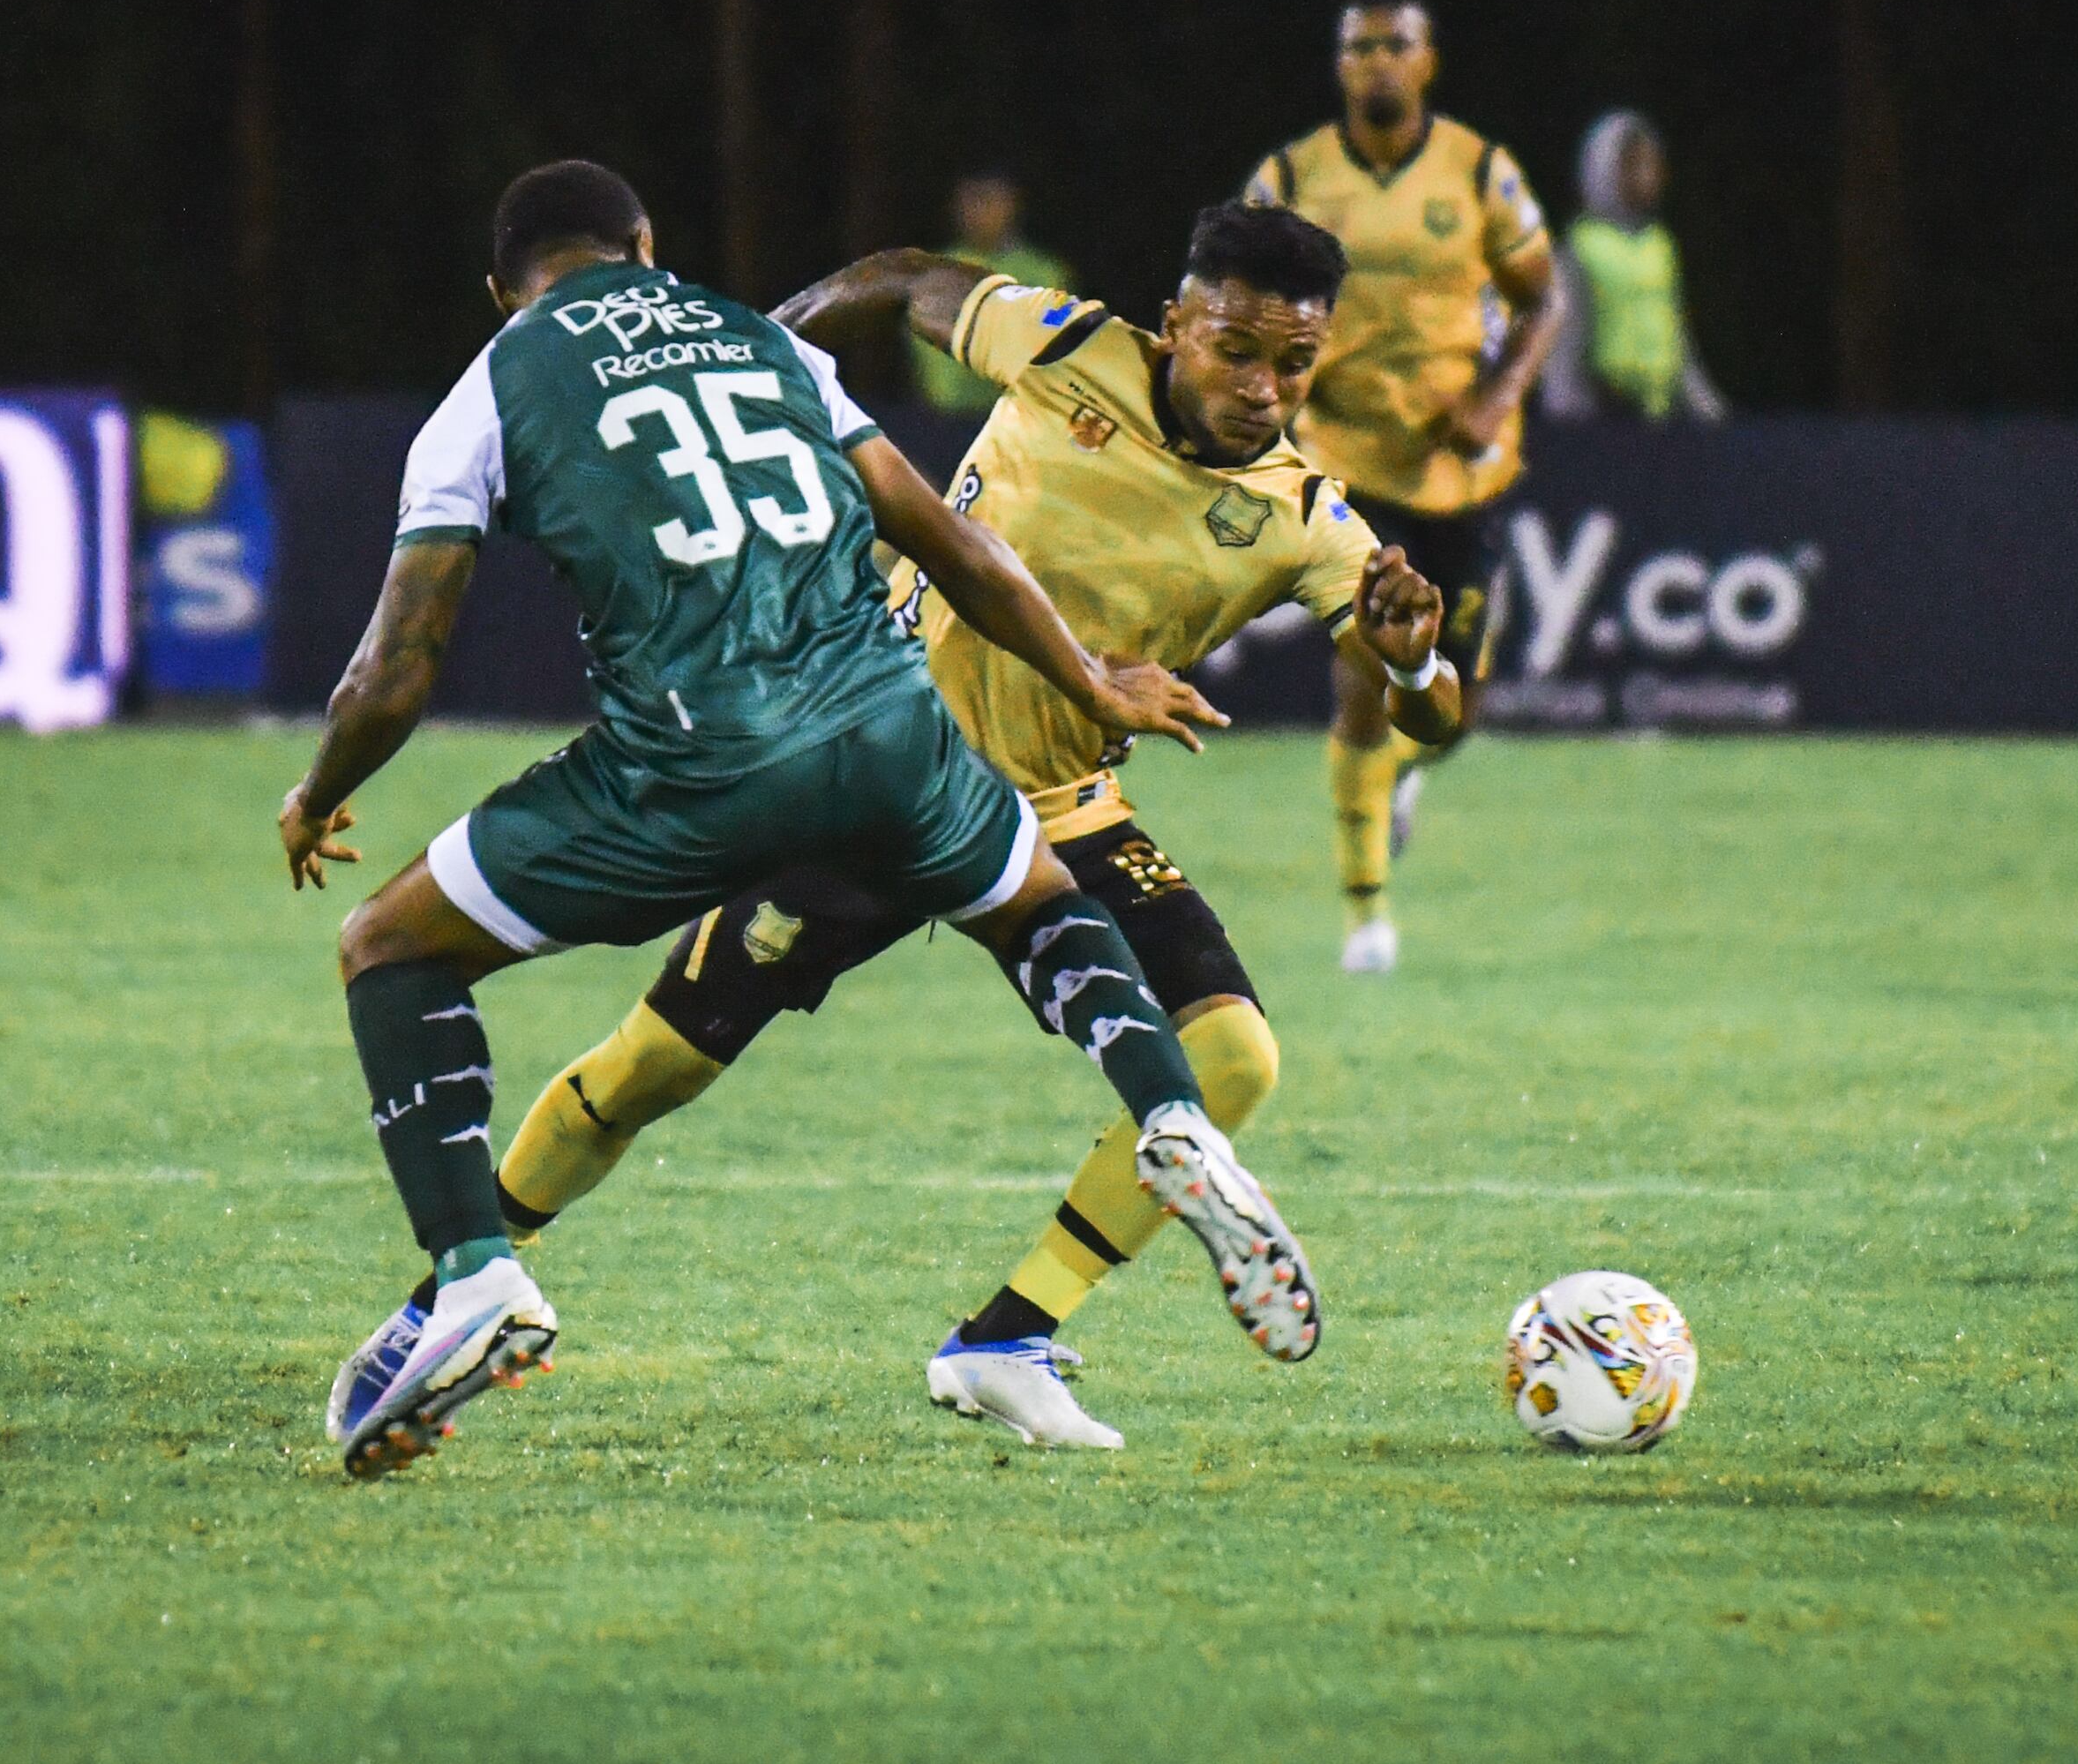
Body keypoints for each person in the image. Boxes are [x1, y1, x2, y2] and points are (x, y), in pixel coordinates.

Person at [286, 159, 1315, 1480]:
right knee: (1046, 904)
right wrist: (1093, 676)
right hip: (896, 731)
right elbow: (948, 538)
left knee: (392, 944)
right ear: (649, 246)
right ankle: (1168, 1111)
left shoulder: (492, 380)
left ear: (502, 292)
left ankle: (474, 1273)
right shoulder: (759, 341)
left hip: (697, 765)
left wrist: (320, 796)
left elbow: (398, 667)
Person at [461, 201, 1462, 1451]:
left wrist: (1416, 664)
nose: (1264, 388)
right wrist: (758, 363)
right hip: (874, 768)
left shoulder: (1305, 514)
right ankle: (465, 1281)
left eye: (1294, 363)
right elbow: (898, 276)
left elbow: (1431, 712)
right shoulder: (1060, 344)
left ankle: (1007, 1338)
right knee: (651, 1068)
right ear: (1173, 328)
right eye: (1236, 351)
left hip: (1058, 809)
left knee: (1234, 1058)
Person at [1246, 0, 1557, 974]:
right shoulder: (1291, 177)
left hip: (1462, 474)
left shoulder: (1477, 171)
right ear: (1339, 64)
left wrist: (1498, 399)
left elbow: (1543, 298)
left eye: (1395, 44)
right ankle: (1366, 914)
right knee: (1362, 684)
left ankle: (1403, 775)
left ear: (1427, 60)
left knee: (1456, 707)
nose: (1376, 60)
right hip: (1346, 466)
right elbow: (1226, 304)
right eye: (1358, 46)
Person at [1551, 109, 1725, 424]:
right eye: (1637, 165)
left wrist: (1707, 410)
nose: (1650, 176)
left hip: (1660, 415)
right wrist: (1565, 413)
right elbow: (1565, 340)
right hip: (1603, 412)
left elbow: (1677, 338)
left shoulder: (1659, 244)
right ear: (1608, 169)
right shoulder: (1583, 245)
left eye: (1654, 164)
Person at [912, 171, 1074, 414]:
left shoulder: (1046, 273)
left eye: (988, 199)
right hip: (941, 419)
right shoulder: (934, 269)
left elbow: (1057, 333)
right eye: (969, 201)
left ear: (1012, 205)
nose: (977, 211)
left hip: (1015, 415)